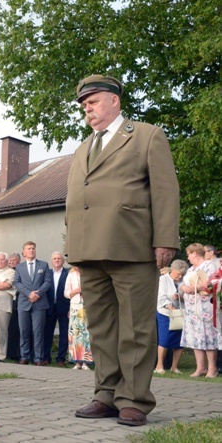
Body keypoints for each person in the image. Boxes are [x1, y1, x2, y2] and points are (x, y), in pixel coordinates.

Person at [65, 75, 180, 426]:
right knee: (101, 327)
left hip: (132, 244)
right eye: (84, 106)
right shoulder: (84, 146)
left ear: (115, 100)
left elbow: (165, 191)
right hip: (90, 247)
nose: (88, 109)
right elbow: (76, 198)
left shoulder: (146, 135)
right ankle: (106, 393)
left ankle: (134, 399)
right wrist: (72, 247)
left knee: (136, 326)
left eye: (94, 102)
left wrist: (165, 240)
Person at [180, 243, 219, 378]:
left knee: (208, 336)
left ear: (194, 253)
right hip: (192, 309)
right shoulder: (191, 269)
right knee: (195, 337)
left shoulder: (209, 265)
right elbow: (183, 285)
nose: (188, 257)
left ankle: (212, 369)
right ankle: (200, 368)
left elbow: (212, 282)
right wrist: (184, 288)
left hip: (205, 307)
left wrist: (195, 288)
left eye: (189, 254)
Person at [13, 241, 52, 366]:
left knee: (38, 331)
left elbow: (47, 282)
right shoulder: (19, 267)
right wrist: (29, 294)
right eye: (29, 249)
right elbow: (17, 283)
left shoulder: (44, 265)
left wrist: (38, 294)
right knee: (24, 331)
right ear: (23, 252)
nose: (31, 250)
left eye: (33, 248)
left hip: (39, 304)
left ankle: (38, 358)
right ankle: (24, 356)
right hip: (24, 303)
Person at [154, 259, 188, 374]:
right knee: (164, 340)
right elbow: (161, 297)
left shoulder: (184, 281)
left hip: (180, 314)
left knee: (179, 341)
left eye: (182, 275)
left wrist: (180, 297)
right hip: (165, 313)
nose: (180, 276)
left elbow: (187, 298)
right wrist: (172, 308)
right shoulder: (163, 279)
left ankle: (174, 367)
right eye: (178, 274)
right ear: (172, 270)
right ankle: (159, 366)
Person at [43, 252, 70, 366]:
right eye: (55, 259)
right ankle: (46, 357)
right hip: (49, 307)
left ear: (63, 261)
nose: (57, 260)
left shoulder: (68, 273)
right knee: (47, 333)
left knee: (64, 333)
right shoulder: (47, 273)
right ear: (52, 261)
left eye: (59, 258)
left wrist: (70, 308)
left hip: (64, 308)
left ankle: (61, 359)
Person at [64, 266, 93, 370]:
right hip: (75, 307)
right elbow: (66, 293)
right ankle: (77, 362)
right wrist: (76, 291)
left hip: (87, 306)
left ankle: (86, 362)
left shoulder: (88, 273)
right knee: (75, 334)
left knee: (86, 333)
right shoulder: (71, 275)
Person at [6, 252, 23, 361]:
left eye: (14, 260)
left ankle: (19, 353)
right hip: (8, 302)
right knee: (9, 328)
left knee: (19, 328)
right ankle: (10, 353)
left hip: (19, 302)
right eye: (10, 261)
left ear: (19, 261)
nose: (11, 262)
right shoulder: (6, 272)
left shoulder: (21, 270)